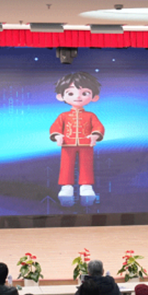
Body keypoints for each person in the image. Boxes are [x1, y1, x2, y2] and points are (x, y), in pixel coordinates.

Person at [50, 72, 105, 207]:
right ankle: (66, 187)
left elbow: (98, 127)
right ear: (60, 96)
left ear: (94, 97)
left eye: (85, 93)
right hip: (67, 144)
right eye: (70, 93)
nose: (78, 97)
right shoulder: (63, 116)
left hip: (86, 144)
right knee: (66, 165)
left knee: (86, 165)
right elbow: (55, 127)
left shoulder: (91, 115)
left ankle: (86, 186)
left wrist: (95, 135)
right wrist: (57, 136)